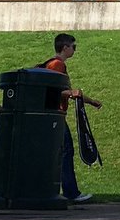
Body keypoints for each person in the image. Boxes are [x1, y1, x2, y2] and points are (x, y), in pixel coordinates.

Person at [41, 32, 102, 203]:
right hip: (55, 115)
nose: (75, 50)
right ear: (65, 47)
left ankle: (62, 190)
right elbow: (55, 90)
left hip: (52, 115)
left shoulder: (52, 64)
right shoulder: (57, 65)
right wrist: (81, 97)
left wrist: (88, 100)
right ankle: (71, 192)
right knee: (66, 151)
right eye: (74, 46)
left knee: (60, 152)